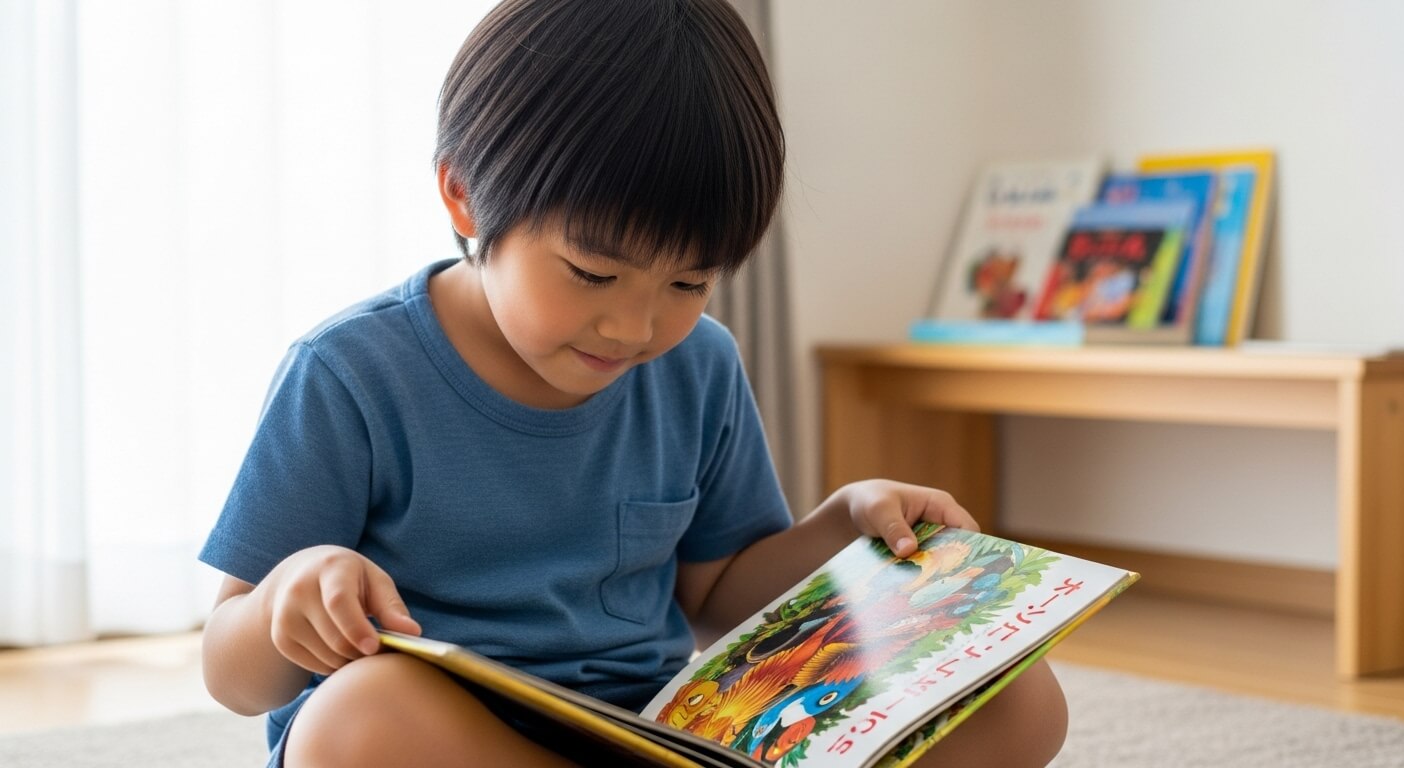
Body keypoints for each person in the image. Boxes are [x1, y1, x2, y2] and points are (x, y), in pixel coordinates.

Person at [198, 1, 1068, 766]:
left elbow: (723, 596)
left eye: (689, 284)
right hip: (454, 739)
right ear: (464, 196)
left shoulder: (698, 366)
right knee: (354, 724)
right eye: (591, 272)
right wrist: (287, 599)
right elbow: (229, 672)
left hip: (657, 732)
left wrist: (846, 528)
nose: (636, 328)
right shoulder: (352, 374)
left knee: (1022, 701)